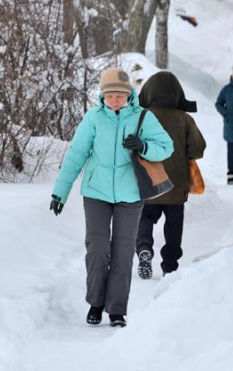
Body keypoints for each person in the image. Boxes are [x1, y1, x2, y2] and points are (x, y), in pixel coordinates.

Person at [50, 67, 173, 327]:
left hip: (130, 195)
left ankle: (117, 309)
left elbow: (166, 147)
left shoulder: (143, 118)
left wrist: (143, 146)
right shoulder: (93, 118)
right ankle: (96, 303)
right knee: (97, 250)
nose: (115, 100)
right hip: (96, 194)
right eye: (110, 95)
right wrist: (60, 192)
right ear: (102, 95)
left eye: (120, 95)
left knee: (123, 251)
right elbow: (76, 155)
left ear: (129, 94)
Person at [134, 71, 206, 279]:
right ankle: (170, 264)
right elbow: (197, 149)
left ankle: (144, 249)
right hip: (176, 184)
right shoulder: (184, 119)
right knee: (174, 224)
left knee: (145, 218)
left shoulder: (140, 117)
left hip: (148, 181)